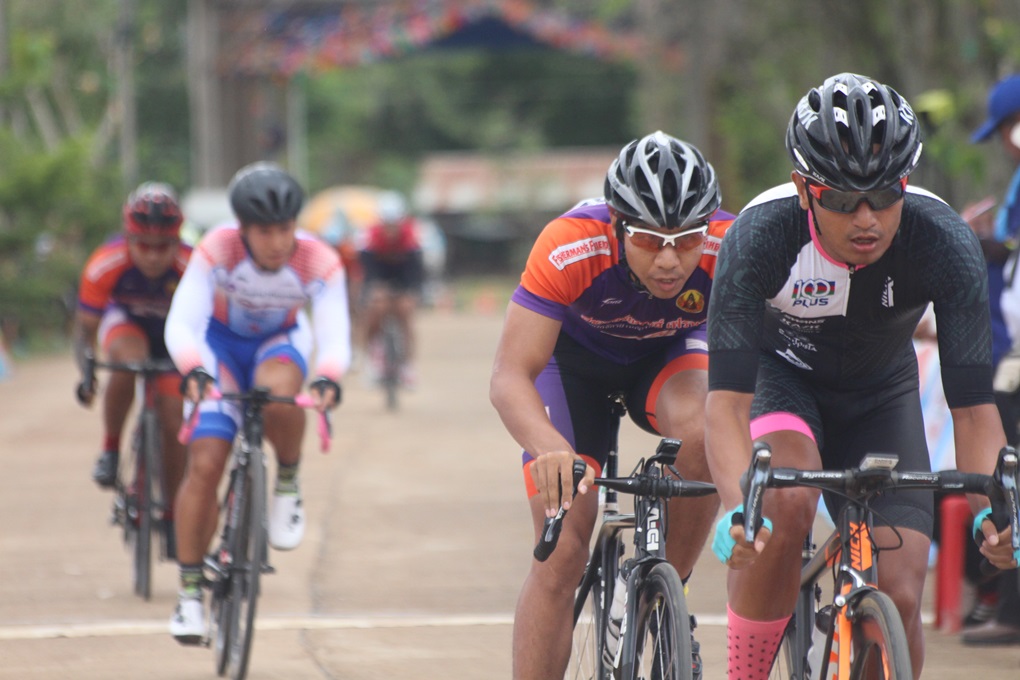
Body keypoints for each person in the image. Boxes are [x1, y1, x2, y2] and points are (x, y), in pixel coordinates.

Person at [705, 72, 1020, 679]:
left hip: (882, 394)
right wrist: (737, 506)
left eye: (884, 193)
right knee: (784, 503)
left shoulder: (943, 240)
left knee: (898, 598)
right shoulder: (761, 235)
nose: (867, 217)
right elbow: (725, 406)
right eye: (843, 200)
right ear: (804, 190)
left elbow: (974, 410)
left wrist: (996, 510)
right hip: (784, 380)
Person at [490, 131, 733, 680]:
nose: (669, 259)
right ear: (619, 224)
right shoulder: (570, 243)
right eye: (648, 239)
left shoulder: (731, 242)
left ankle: (663, 595)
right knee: (561, 554)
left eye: (687, 240)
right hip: (574, 366)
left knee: (705, 430)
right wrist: (548, 447)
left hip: (668, 356)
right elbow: (509, 376)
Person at [163, 162, 350, 644]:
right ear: (242, 228)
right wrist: (192, 368)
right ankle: (189, 595)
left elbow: (335, 335)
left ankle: (286, 479)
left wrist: (328, 377)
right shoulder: (217, 248)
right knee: (205, 464)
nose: (278, 242)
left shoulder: (319, 259)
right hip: (219, 348)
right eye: (265, 231)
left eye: (285, 228)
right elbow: (182, 322)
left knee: (279, 393)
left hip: (277, 344)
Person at [73, 183, 192, 531]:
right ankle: (110, 449)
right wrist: (88, 375)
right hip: (126, 325)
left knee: (173, 418)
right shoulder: (105, 263)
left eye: (163, 246)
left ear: (178, 240)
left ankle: (172, 512)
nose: (153, 256)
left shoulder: (194, 265)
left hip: (174, 336)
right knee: (128, 361)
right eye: (143, 245)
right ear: (128, 238)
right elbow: (85, 332)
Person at [964, 72, 1020, 646]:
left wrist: (984, 245)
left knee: (1009, 474)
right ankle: (1005, 604)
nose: (1007, 144)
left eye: (1008, 131)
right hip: (1009, 355)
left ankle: (1011, 609)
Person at [357, 190, 425, 386]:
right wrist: (374, 289)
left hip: (404, 277)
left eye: (394, 225)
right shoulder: (369, 238)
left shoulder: (412, 238)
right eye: (387, 224)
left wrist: (412, 293)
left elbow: (416, 271)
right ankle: (371, 360)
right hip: (379, 275)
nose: (390, 229)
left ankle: (408, 366)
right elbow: (368, 270)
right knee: (376, 308)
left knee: (405, 311)